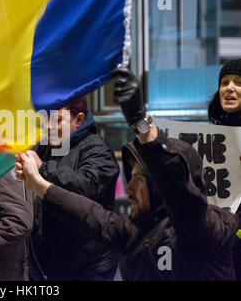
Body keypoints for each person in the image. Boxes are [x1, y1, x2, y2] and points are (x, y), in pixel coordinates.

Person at [15, 68, 239, 280]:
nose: (129, 188)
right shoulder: (135, 229)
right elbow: (87, 214)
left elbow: (179, 191)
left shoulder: (205, 228)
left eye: (139, 180)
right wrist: (38, 184)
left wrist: (140, 122)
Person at [29, 96, 120, 281]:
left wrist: (43, 169)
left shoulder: (97, 148)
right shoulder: (46, 147)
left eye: (57, 120)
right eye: (46, 119)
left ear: (78, 120)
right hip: (55, 263)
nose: (48, 126)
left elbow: (86, 186)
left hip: (89, 266)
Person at [207, 58, 241, 280]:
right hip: (215, 235)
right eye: (225, 82)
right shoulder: (209, 135)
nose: (230, 88)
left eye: (238, 82)